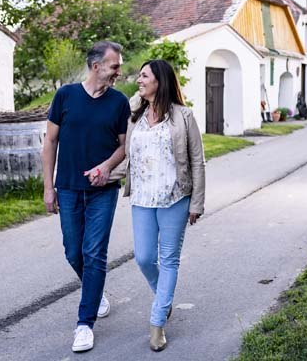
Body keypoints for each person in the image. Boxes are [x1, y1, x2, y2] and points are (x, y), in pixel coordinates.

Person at [41, 41, 131, 353]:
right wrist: (48, 187)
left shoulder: (119, 103)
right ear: (96, 67)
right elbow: (50, 141)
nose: (119, 71)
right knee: (72, 252)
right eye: (114, 66)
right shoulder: (65, 95)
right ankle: (96, 291)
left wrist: (106, 167)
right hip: (66, 187)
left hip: (103, 191)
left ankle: (84, 323)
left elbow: (123, 145)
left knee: (94, 253)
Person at [124, 59, 205, 352]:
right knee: (144, 257)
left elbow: (197, 160)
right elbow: (125, 152)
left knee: (169, 259)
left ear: (160, 80)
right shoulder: (136, 116)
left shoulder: (184, 116)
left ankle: (157, 322)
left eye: (144, 76)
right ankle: (164, 298)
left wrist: (197, 202)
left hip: (175, 198)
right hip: (143, 198)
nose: (139, 80)